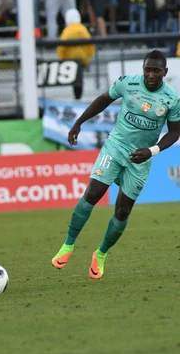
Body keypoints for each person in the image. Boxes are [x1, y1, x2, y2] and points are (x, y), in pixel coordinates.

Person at [51, 50, 180, 279]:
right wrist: (79, 122)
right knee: (92, 193)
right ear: (143, 68)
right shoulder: (127, 83)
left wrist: (152, 151)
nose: (151, 75)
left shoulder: (172, 99)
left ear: (165, 72)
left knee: (122, 211)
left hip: (141, 158)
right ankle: (68, 245)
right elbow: (103, 100)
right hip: (115, 146)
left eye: (156, 71)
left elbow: (175, 132)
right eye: (148, 69)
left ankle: (100, 254)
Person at [56, 8, 95, 100]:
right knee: (80, 79)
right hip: (82, 59)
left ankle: (77, 96)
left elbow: (61, 47)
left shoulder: (67, 31)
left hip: (70, 60)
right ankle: (79, 96)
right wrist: (88, 56)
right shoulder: (83, 29)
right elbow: (90, 44)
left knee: (75, 80)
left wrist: (62, 58)